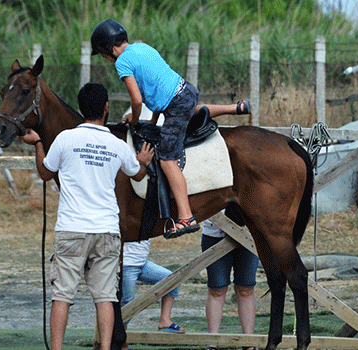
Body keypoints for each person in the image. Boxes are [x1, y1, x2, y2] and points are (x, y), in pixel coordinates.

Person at [20, 82, 155, 350]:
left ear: (81, 108)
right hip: (106, 230)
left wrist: (37, 144)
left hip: (71, 228)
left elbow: (46, 174)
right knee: (105, 297)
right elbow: (137, 174)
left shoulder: (66, 139)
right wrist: (142, 160)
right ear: (106, 108)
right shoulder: (115, 144)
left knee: (62, 296)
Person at [90, 19, 251, 239]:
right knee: (190, 110)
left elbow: (137, 101)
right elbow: (158, 88)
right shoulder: (142, 48)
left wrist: (135, 119)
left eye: (103, 55)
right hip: (185, 92)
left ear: (109, 49)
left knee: (167, 159)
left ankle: (186, 217)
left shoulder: (122, 63)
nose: (106, 60)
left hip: (174, 106)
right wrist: (153, 121)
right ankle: (235, 108)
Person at [201, 208, 260, 350]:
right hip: (214, 232)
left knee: (246, 289)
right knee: (217, 289)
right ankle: (212, 344)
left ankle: (248, 344)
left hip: (249, 233)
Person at [120, 239, 184, 350]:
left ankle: (165, 321)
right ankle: (120, 340)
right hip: (127, 264)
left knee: (172, 279)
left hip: (142, 263)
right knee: (127, 301)